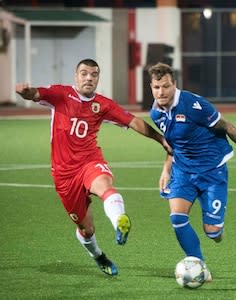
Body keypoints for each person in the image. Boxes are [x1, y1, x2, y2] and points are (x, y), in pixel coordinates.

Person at [15, 58, 171, 276]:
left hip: (90, 161)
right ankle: (99, 256)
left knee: (106, 186)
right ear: (76, 76)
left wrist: (160, 139)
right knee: (86, 230)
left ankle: (120, 221)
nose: (89, 78)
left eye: (94, 74)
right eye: (84, 73)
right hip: (64, 175)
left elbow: (134, 121)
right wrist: (26, 91)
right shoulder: (60, 94)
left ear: (98, 78)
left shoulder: (103, 104)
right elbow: (36, 94)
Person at [148, 63, 236, 279]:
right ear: (151, 87)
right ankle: (200, 266)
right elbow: (173, 143)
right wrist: (166, 169)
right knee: (177, 218)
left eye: (165, 86)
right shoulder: (156, 113)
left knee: (213, 232)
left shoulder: (194, 105)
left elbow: (227, 126)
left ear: (174, 84)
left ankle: (216, 230)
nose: (161, 92)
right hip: (183, 171)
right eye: (156, 87)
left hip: (212, 171)